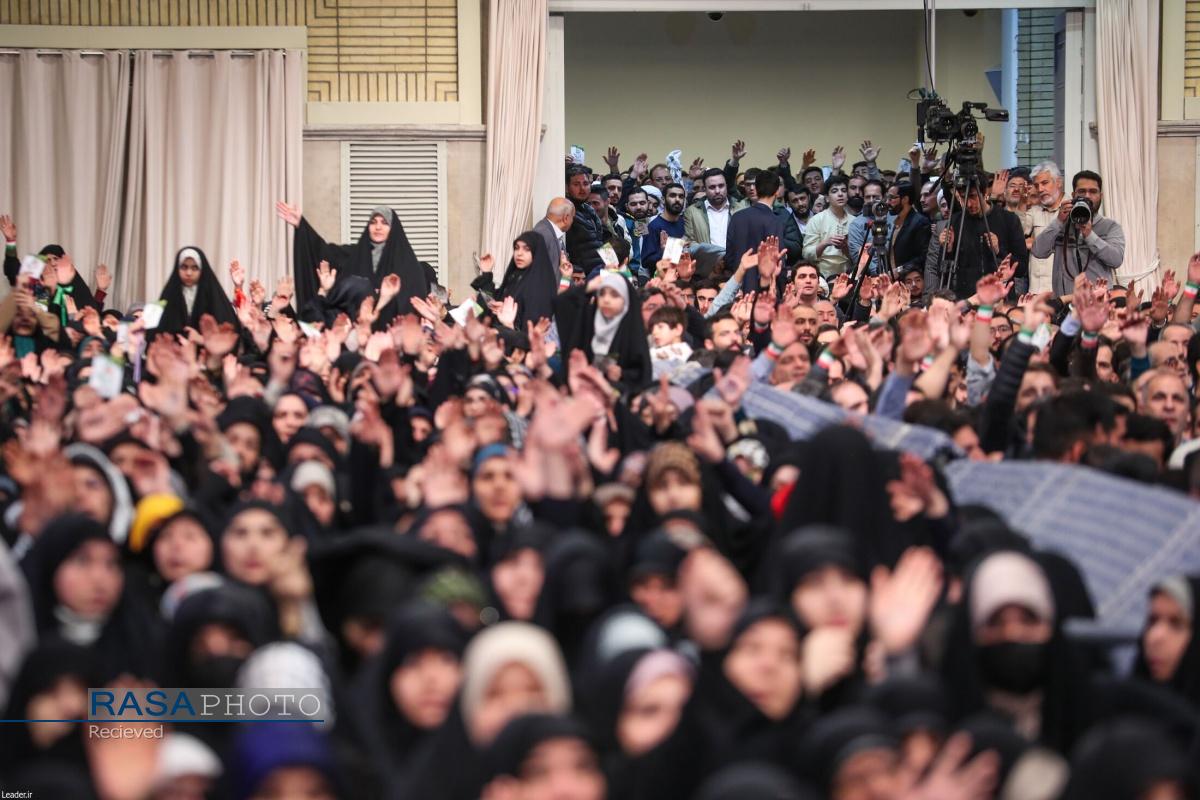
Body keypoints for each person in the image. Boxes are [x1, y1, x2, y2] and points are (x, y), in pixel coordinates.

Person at [278, 201, 429, 316]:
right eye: (373, 222)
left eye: (384, 223)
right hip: (353, 332)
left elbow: (413, 304)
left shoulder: (408, 265)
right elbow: (321, 251)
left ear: (393, 229)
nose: (378, 227)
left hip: (392, 336)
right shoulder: (353, 255)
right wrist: (301, 225)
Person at [923, 182, 1027, 299]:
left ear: (985, 193)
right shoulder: (956, 221)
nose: (968, 203)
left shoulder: (1009, 219)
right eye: (963, 197)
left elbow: (1021, 268)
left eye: (973, 196)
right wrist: (948, 250)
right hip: (966, 299)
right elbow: (943, 274)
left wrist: (999, 251)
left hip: (1000, 298)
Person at [1031, 170, 1126, 297]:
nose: (1087, 196)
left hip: (1098, 301)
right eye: (1081, 192)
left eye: (1093, 192)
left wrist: (1090, 235)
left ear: (1101, 196)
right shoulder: (1061, 224)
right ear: (1073, 195)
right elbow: (1038, 251)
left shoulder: (1110, 226)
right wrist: (1058, 221)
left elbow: (1116, 260)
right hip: (1065, 301)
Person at [684, 169, 748, 252]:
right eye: (712, 187)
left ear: (726, 186)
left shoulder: (741, 209)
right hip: (706, 259)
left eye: (721, 186)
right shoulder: (692, 212)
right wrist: (715, 256)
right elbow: (690, 242)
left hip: (736, 259)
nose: (717, 191)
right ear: (705, 189)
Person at [803, 174, 854, 277]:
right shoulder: (816, 220)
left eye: (844, 190)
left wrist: (845, 247)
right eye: (835, 191)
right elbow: (806, 254)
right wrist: (825, 243)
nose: (840, 194)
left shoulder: (854, 221)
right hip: (822, 274)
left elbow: (860, 256)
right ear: (826, 198)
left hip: (848, 273)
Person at [643, 183, 687, 269]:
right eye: (672, 196)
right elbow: (646, 262)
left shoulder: (686, 223)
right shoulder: (654, 226)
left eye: (681, 196)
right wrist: (666, 252)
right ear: (663, 200)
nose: (677, 199)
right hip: (664, 275)